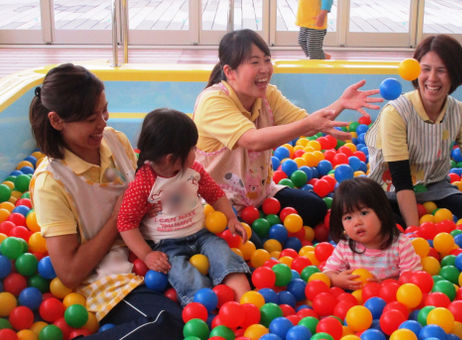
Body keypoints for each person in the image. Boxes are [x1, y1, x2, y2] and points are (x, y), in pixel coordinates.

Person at [29, 63, 184, 339]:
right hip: (111, 278)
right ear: (56, 121)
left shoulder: (114, 141)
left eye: (104, 110)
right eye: (91, 119)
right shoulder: (52, 182)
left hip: (156, 252)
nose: (103, 122)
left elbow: (142, 189)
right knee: (165, 322)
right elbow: (70, 272)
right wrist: (118, 217)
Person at [193, 29, 382, 229]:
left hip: (261, 196)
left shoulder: (267, 95)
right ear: (230, 72)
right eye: (255, 62)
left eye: (267, 60)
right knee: (245, 242)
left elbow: (308, 124)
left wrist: (341, 103)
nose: (265, 69)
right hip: (218, 203)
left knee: (315, 209)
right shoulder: (213, 101)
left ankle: (259, 221)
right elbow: (253, 140)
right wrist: (308, 124)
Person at [366, 34, 462, 228]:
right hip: (389, 192)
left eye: (441, 71)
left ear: (454, 75)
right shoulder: (396, 112)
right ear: (415, 72)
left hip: (436, 190)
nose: (432, 78)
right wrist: (414, 231)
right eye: (425, 69)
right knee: (388, 230)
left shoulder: (460, 113)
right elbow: (401, 179)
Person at [117, 108, 251, 306]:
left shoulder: (193, 171)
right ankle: (207, 317)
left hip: (202, 235)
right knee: (186, 278)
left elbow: (215, 194)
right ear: (171, 158)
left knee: (224, 257)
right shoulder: (143, 184)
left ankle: (246, 305)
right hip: (167, 246)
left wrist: (231, 218)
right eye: (192, 148)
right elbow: (126, 223)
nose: (195, 153)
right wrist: (147, 254)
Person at [323, 177, 422, 291]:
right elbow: (327, 273)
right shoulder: (345, 246)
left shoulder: (400, 245)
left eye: (364, 213)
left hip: (391, 302)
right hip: (356, 306)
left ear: (381, 212)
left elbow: (413, 280)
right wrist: (336, 280)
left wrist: (383, 285)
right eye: (348, 217)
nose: (357, 222)